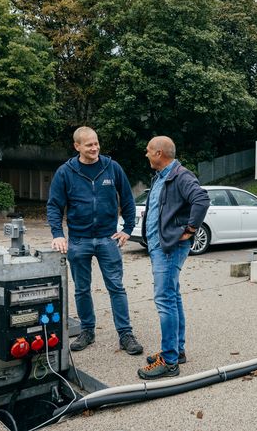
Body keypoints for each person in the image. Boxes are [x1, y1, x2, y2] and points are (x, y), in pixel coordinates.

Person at [47, 126, 143, 355]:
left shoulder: (112, 167)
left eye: (96, 143)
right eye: (89, 144)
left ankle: (125, 334)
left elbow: (128, 200)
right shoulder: (65, 172)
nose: (95, 148)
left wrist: (128, 228)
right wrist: (57, 234)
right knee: (81, 289)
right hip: (78, 240)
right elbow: (54, 205)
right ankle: (87, 331)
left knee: (116, 287)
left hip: (107, 238)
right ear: (77, 146)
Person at [137, 136, 209, 379]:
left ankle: (169, 362)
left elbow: (201, 199)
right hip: (160, 246)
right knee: (172, 297)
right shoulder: (161, 176)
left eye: (148, 151)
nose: (146, 154)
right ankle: (176, 351)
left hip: (169, 249)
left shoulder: (181, 175)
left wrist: (189, 231)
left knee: (165, 300)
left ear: (159, 153)